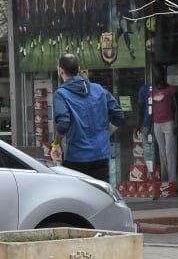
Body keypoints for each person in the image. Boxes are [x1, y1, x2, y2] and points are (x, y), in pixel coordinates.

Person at [52, 53, 124, 183]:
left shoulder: (61, 94)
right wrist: (105, 134)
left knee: (77, 199)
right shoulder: (99, 89)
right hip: (100, 155)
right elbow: (118, 115)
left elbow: (63, 124)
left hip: (77, 158)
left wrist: (56, 144)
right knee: (101, 196)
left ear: (60, 71)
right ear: (79, 69)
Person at [139, 67, 178, 184]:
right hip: (156, 123)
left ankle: (172, 181)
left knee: (169, 151)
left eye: (160, 74)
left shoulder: (171, 89)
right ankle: (164, 180)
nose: (158, 77)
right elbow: (150, 109)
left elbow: (176, 107)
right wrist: (150, 124)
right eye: (156, 75)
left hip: (169, 122)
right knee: (161, 152)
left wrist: (176, 123)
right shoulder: (151, 91)